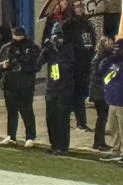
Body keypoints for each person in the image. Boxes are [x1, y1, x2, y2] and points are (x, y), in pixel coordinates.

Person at [0, 26, 40, 147]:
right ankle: (11, 135)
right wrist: (4, 65)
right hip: (9, 84)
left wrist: (23, 67)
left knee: (27, 111)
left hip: (25, 85)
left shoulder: (32, 48)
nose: (17, 37)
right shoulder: (7, 47)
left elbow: (37, 66)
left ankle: (30, 137)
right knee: (11, 111)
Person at [38, 23, 76, 155]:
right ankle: (54, 145)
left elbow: (70, 66)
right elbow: (38, 64)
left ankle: (63, 147)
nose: (57, 40)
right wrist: (45, 49)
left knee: (62, 119)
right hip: (51, 89)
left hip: (64, 90)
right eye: (55, 37)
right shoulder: (48, 49)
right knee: (51, 118)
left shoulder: (68, 49)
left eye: (59, 37)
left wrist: (57, 58)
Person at [62, 1, 96, 132]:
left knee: (81, 95)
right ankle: (69, 121)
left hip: (85, 65)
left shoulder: (87, 24)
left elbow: (92, 40)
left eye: (82, 6)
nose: (81, 9)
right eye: (78, 6)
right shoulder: (68, 24)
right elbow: (65, 45)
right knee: (71, 95)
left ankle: (81, 123)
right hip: (73, 66)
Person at [89, 36, 114, 151]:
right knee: (102, 118)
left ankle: (99, 142)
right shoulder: (104, 59)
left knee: (102, 118)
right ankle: (99, 143)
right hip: (101, 92)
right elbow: (104, 76)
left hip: (97, 91)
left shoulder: (97, 58)